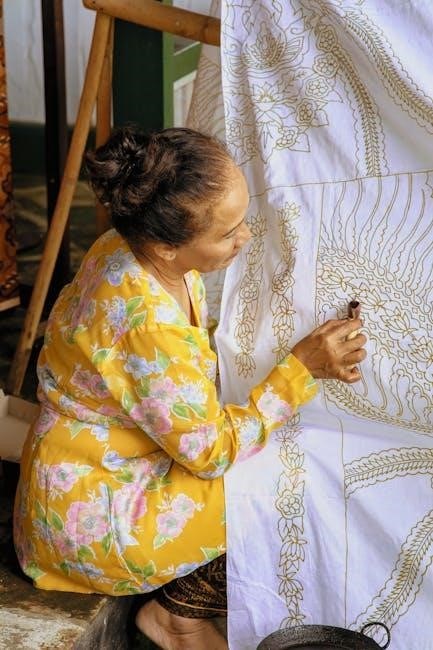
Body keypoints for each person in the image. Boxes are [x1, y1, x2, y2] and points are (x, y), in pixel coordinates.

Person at [14, 127, 366, 650]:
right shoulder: (147, 322)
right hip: (88, 522)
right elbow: (210, 453)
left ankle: (182, 609)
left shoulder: (131, 247)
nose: (245, 237)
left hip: (90, 472)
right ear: (167, 246)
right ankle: (177, 618)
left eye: (242, 220)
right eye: (227, 233)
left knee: (284, 449)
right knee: (283, 479)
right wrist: (299, 370)